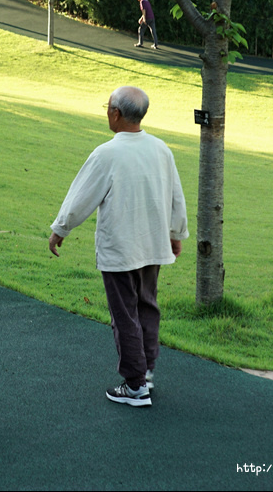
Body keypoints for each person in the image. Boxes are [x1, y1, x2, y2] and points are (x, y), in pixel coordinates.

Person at [48, 86, 187, 407]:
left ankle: (135, 384)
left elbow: (80, 198)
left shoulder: (107, 153)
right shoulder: (161, 149)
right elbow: (175, 195)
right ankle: (146, 371)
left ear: (115, 113)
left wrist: (60, 229)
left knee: (124, 314)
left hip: (120, 250)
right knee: (147, 307)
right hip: (153, 246)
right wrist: (175, 233)